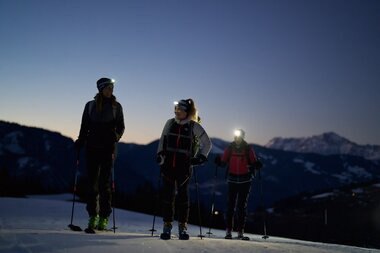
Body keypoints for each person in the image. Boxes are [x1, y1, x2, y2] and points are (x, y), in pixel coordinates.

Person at [156, 98, 212, 240]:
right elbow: (163, 140)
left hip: (184, 168)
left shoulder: (194, 126)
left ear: (187, 111)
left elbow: (207, 143)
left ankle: (182, 227)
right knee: (168, 198)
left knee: (183, 198)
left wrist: (201, 157)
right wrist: (160, 155)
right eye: (176, 109)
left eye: (180, 110)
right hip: (168, 166)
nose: (177, 112)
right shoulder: (169, 123)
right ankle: (167, 227)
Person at [74, 77, 125, 231]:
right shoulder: (90, 106)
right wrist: (80, 140)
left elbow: (121, 126)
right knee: (92, 185)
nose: (110, 91)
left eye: (111, 88)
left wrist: (115, 136)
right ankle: (92, 216)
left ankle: (103, 217)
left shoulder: (116, 107)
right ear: (101, 89)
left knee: (104, 185)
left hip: (108, 149)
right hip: (92, 148)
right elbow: (84, 126)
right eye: (108, 88)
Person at [214, 129, 262, 240]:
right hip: (233, 180)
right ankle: (229, 231)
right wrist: (218, 161)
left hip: (245, 181)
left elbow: (254, 162)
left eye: (239, 136)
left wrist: (257, 165)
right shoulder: (229, 148)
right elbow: (223, 163)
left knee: (241, 207)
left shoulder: (248, 149)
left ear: (242, 137)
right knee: (230, 206)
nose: (237, 138)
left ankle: (240, 232)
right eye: (236, 136)